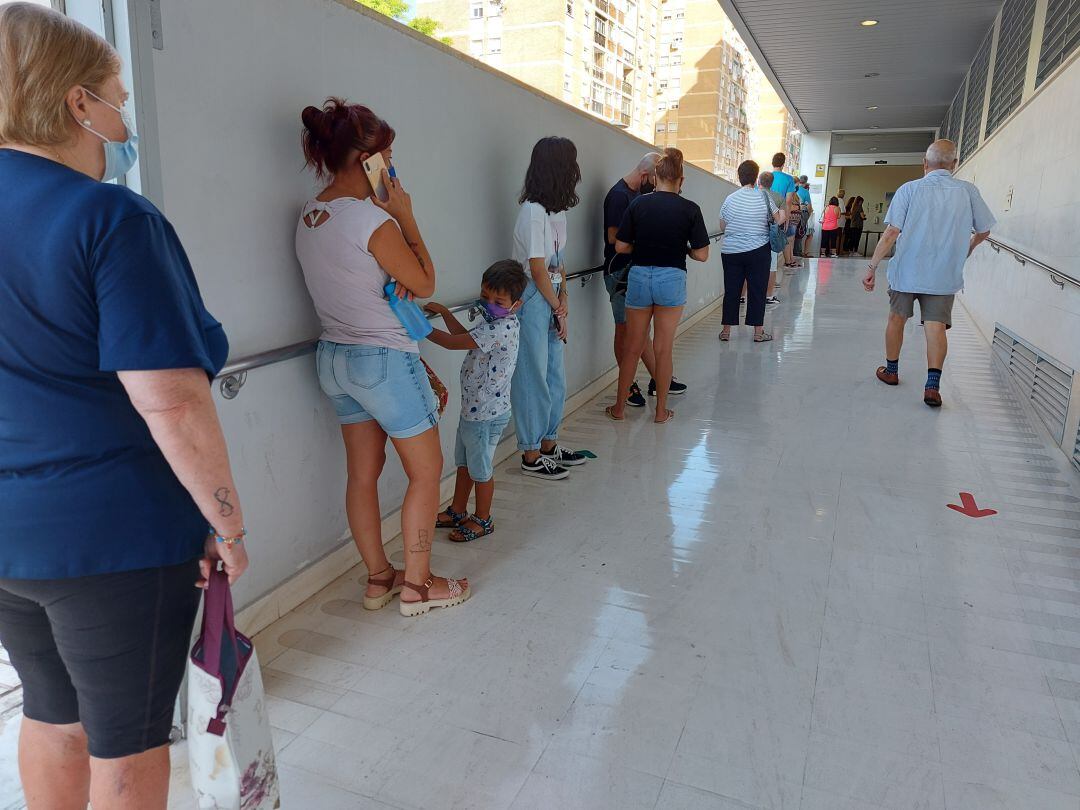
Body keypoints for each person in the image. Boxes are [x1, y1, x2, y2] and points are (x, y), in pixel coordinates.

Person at [0, 5, 250, 808]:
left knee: (49, 711)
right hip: (112, 540)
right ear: (77, 103)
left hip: (9, 536)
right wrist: (228, 524)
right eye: (115, 95)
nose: (121, 118)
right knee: (127, 741)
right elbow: (172, 402)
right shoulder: (109, 218)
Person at [295, 97, 469, 617]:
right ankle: (418, 586)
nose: (392, 168)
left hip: (334, 358)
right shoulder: (374, 223)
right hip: (382, 361)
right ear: (368, 160)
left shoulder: (311, 214)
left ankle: (379, 579)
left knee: (362, 475)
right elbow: (425, 281)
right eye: (388, 157)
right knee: (426, 470)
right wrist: (407, 217)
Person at [863, 139, 994, 408]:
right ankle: (932, 386)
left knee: (896, 318)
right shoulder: (967, 191)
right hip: (943, 275)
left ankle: (891, 371)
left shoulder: (909, 190)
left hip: (907, 271)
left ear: (925, 163)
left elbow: (891, 233)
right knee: (936, 328)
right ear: (954, 164)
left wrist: (872, 267)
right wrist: (967, 248)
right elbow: (984, 230)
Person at [605, 148, 710, 423]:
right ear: (681, 180)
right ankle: (661, 411)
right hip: (671, 278)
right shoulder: (690, 209)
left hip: (639, 276)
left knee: (633, 346)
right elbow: (702, 254)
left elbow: (621, 245)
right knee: (663, 348)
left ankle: (619, 408)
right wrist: (683, 249)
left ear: (654, 177)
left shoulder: (638, 204)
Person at [426, 261, 527, 542]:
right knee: (465, 464)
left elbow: (451, 343)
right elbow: (463, 336)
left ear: (515, 305)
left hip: (486, 414)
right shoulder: (492, 321)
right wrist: (445, 314)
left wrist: (419, 327)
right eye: (485, 296)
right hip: (473, 410)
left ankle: (483, 519)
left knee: (480, 470)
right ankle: (458, 510)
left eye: (498, 300)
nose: (489, 303)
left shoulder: (502, 328)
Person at [510, 137, 588, 478]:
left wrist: (564, 302)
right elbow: (537, 268)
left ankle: (548, 444)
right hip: (532, 298)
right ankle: (530, 453)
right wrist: (558, 308)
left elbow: (560, 266)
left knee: (555, 374)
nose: (575, 171)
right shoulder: (531, 212)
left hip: (552, 296)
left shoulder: (558, 213)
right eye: (571, 164)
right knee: (533, 376)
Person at [718, 160, 785, 343]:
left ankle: (726, 331)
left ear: (739, 177)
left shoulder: (730, 198)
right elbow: (778, 219)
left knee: (732, 290)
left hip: (731, 251)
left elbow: (723, 225)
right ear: (756, 178)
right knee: (757, 290)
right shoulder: (763, 196)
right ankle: (758, 333)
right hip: (758, 250)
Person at [757, 171, 786, 310]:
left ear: (759, 182)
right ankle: (768, 296)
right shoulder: (778, 196)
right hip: (770, 237)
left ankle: (743, 296)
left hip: (753, 237)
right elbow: (782, 218)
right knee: (772, 266)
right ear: (772, 183)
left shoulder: (754, 194)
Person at [769, 152, 800, 271]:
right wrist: (786, 218)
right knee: (778, 244)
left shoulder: (766, 177)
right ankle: (774, 277)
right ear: (783, 164)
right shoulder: (788, 179)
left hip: (765, 214)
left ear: (773, 163)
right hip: (779, 215)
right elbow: (788, 201)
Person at [796, 175, 814, 260]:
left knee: (792, 234)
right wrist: (808, 216)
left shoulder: (794, 190)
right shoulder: (805, 192)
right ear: (806, 182)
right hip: (802, 214)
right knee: (799, 233)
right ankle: (798, 253)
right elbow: (809, 207)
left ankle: (793, 253)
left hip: (792, 213)